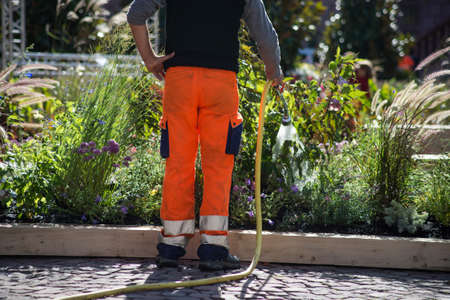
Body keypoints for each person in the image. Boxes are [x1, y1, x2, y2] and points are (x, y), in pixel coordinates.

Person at [127, 0, 283, 271]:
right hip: (220, 83)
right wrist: (274, 70)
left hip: (180, 81)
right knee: (218, 166)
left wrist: (150, 60)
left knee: (178, 162)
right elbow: (265, 36)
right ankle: (213, 249)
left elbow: (135, 14)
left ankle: (171, 246)